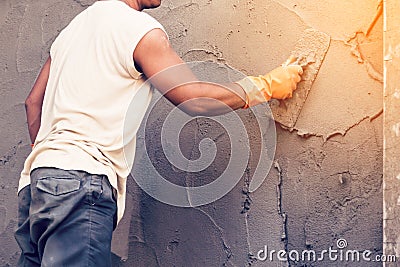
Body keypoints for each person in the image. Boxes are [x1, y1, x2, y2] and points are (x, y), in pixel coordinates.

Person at [14, 0, 303, 266]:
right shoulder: (138, 29)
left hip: (37, 184)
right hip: (80, 182)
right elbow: (195, 100)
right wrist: (265, 86)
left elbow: (32, 103)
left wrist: (54, 161)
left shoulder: (72, 30)